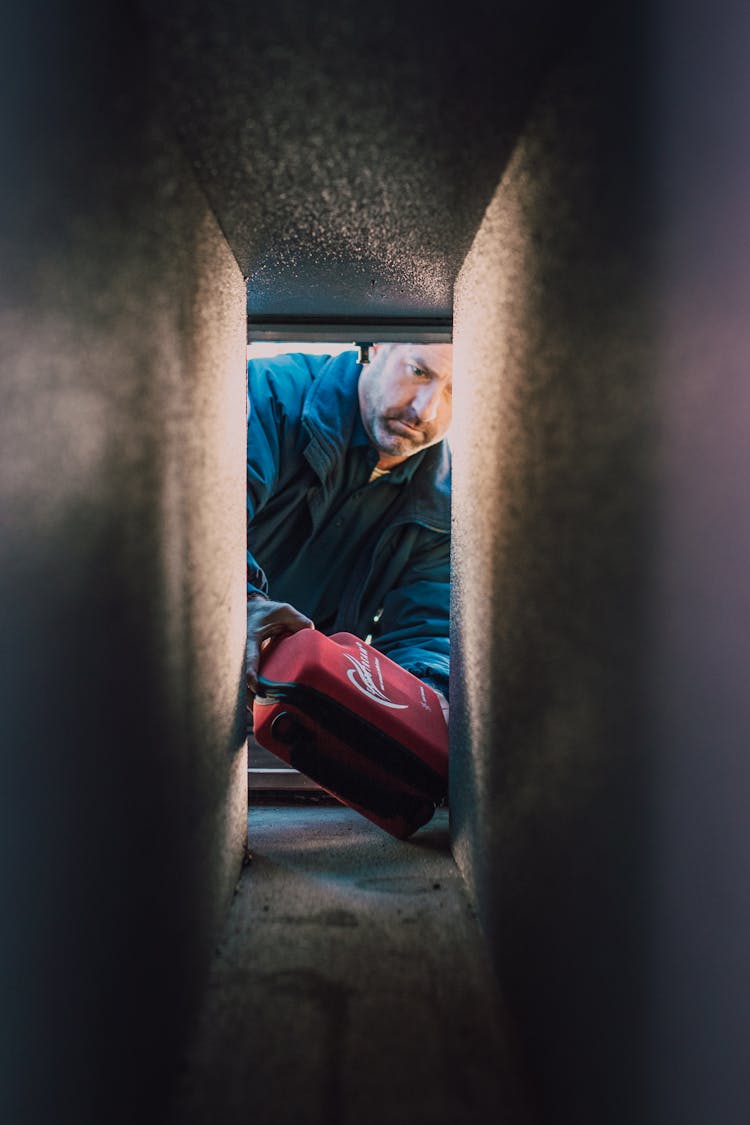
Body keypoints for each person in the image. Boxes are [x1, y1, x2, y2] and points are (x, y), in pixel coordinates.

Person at [246, 342, 453, 716]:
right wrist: (237, 606)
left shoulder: (446, 506)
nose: (426, 409)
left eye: (457, 390)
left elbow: (427, 632)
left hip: (291, 717)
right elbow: (193, 524)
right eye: (419, 372)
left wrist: (425, 701)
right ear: (377, 345)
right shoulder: (266, 395)